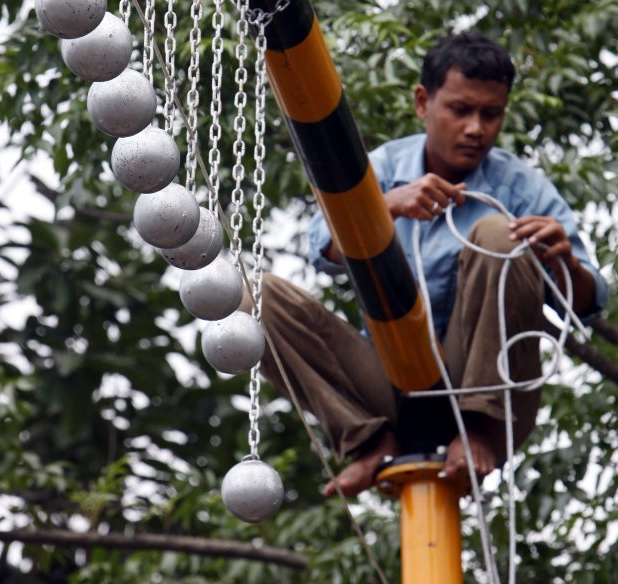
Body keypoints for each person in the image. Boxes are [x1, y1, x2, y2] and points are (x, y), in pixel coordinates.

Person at [242, 33, 609, 497]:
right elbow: (324, 251)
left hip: (486, 387)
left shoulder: (519, 185)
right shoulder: (385, 166)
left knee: (500, 232)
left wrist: (563, 265)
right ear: (423, 102)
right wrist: (384, 207)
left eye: (490, 114)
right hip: (388, 381)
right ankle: (367, 439)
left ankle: (478, 429)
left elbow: (587, 306)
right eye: (460, 110)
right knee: (253, 297)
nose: (476, 128)